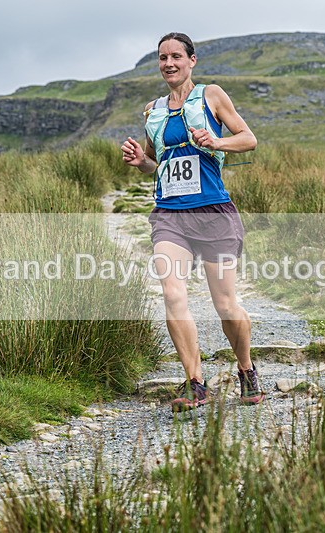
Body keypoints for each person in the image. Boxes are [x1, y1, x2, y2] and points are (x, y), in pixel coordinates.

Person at [121, 32, 264, 412]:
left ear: (192, 60)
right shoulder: (152, 110)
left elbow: (248, 139)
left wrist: (216, 143)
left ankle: (246, 369)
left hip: (213, 211)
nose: (169, 63)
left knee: (225, 304)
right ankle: (195, 381)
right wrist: (142, 163)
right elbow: (158, 165)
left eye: (176, 57)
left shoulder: (211, 95)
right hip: (169, 216)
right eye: (162, 57)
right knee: (172, 293)